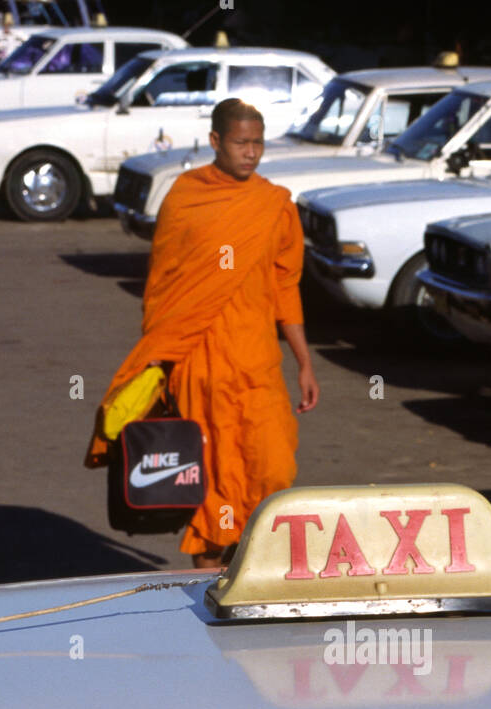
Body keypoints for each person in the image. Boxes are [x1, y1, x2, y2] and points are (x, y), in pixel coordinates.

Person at [86, 97, 319, 569]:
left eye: (258, 144)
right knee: (210, 481)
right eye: (240, 143)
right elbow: (163, 288)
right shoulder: (186, 198)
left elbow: (284, 286)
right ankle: (208, 584)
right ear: (216, 141)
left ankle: (255, 570)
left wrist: (304, 360)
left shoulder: (274, 205)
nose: (251, 153)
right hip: (198, 364)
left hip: (256, 363)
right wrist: (160, 359)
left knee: (272, 468)